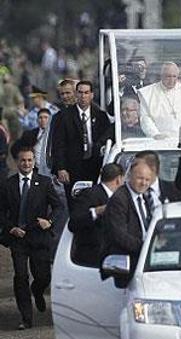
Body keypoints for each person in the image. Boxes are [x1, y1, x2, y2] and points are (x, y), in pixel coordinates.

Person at [0, 143, 62, 329]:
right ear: (17, 162)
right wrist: (11, 228)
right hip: (18, 238)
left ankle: (37, 290)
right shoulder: (7, 185)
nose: (26, 164)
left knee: (43, 276)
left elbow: (58, 207)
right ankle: (26, 318)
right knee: (20, 276)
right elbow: (1, 212)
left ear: (34, 161)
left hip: (39, 236)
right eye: (23, 160)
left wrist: (49, 221)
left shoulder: (44, 182)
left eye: (29, 160)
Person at [51, 80, 112, 201]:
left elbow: (106, 140)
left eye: (86, 92)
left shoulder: (101, 116)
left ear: (92, 95)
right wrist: (61, 168)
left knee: (94, 201)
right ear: (76, 94)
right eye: (80, 93)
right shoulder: (63, 116)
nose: (83, 96)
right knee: (75, 203)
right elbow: (58, 144)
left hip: (95, 166)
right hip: (72, 168)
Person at [101, 158, 156, 287]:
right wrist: (146, 248)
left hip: (147, 264)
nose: (144, 183)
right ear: (129, 176)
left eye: (147, 180)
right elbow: (119, 235)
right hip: (128, 268)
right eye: (140, 178)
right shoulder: (119, 199)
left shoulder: (145, 197)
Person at [68, 163, 125, 266]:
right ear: (119, 179)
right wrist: (96, 211)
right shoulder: (89, 194)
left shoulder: (122, 198)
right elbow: (73, 223)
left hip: (115, 259)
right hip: (92, 260)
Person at [18, 108, 52, 173]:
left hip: (51, 169)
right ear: (37, 120)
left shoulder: (56, 134)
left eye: (46, 117)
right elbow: (16, 148)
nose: (43, 120)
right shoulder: (29, 134)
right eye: (40, 118)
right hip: (34, 169)